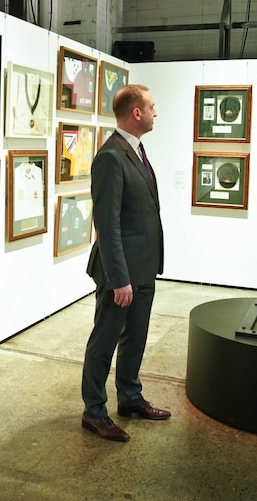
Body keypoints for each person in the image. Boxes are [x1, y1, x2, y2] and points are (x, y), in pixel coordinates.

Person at [81, 84, 170, 442]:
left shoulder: (136, 150)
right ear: (136, 112)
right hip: (120, 273)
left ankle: (130, 398)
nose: (155, 112)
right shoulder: (111, 157)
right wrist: (119, 278)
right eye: (151, 107)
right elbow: (107, 223)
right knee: (104, 341)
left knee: (136, 339)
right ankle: (94, 411)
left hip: (143, 267)